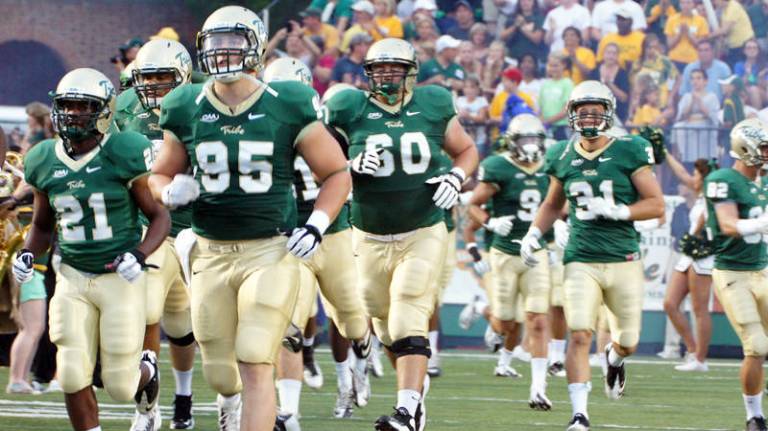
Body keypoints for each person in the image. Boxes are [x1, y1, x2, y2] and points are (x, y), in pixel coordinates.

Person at [148, 6, 351, 431]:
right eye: (215, 42)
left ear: (256, 46)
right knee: (221, 372)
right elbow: (160, 173)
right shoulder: (184, 104)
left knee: (256, 355)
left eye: (233, 41)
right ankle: (232, 406)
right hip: (210, 250)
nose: (223, 52)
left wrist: (315, 223)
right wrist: (166, 190)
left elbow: (335, 172)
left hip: (269, 250)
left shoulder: (287, 102)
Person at [324, 37, 478, 431]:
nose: (387, 75)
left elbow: (466, 150)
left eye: (394, 68)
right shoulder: (347, 107)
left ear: (412, 71)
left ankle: (406, 410)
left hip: (422, 227)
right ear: (367, 73)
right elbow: (319, 162)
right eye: (379, 68)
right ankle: (414, 395)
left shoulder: (433, 103)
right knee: (384, 323)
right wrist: (351, 165)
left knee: (410, 306)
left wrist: (457, 176)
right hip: (369, 231)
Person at [12, 67, 170, 431]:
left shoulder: (125, 150)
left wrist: (139, 254)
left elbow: (158, 216)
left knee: (119, 383)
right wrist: (26, 254)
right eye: (67, 106)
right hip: (71, 274)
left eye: (83, 107)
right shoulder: (42, 158)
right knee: (69, 371)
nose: (72, 114)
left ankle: (147, 370)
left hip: (118, 274)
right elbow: (41, 226)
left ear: (103, 112)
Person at [519, 80, 664, 430]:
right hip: (580, 256)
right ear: (571, 115)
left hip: (623, 257)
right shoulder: (562, 154)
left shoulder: (630, 149)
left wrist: (621, 212)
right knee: (580, 332)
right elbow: (553, 203)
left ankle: (614, 359)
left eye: (596, 111)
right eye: (582, 111)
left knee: (627, 341)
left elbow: (656, 205)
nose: (589, 118)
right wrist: (534, 233)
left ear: (609, 113)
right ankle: (580, 415)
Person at [262, 59, 372, 427]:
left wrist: (355, 165)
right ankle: (289, 413)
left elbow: (345, 177)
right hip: (288, 238)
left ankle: (362, 353)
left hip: (333, 232)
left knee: (353, 320)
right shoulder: (258, 132)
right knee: (290, 324)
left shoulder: (330, 129)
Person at [112, 39, 197, 430]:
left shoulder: (203, 101)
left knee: (186, 327)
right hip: (149, 226)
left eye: (165, 78)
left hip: (196, 227)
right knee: (145, 307)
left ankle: (185, 394)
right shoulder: (125, 106)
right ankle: (147, 407)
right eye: (148, 78)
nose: (156, 87)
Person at [468, 114, 554, 410]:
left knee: (538, 319)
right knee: (506, 322)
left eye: (535, 140)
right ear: (513, 142)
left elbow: (559, 202)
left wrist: (561, 228)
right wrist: (490, 223)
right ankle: (484, 310)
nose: (531, 146)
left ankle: (538, 387)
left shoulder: (550, 165)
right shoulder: (498, 167)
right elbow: (473, 205)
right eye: (525, 140)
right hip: (504, 252)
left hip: (536, 251)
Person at [704, 118, 768, 431]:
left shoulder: (765, 181)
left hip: (762, 269)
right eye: (765, 148)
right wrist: (758, 224)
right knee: (757, 345)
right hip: (732, 272)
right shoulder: (723, 178)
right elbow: (728, 223)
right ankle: (754, 416)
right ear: (746, 148)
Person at [662, 155, 717, 373]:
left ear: (704, 178)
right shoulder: (701, 193)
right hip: (689, 253)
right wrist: (665, 153)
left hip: (703, 253)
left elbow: (707, 220)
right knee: (670, 303)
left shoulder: (714, 195)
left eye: (696, 174)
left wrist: (694, 236)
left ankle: (700, 359)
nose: (691, 177)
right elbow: (682, 174)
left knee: (699, 309)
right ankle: (693, 351)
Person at [673, 69, 721, 162]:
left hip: (705, 127)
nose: (695, 81)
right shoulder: (687, 96)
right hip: (689, 126)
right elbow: (681, 116)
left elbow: (714, 117)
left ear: (705, 81)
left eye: (698, 78)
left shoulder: (712, 97)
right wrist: (692, 102)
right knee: (677, 127)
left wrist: (700, 102)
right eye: (693, 79)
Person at [664, 0, 710, 71]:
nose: (685, 5)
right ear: (680, 5)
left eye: (688, 3)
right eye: (683, 3)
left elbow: (700, 45)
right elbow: (669, 45)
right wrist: (679, 34)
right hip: (675, 59)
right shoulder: (672, 20)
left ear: (693, 5)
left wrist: (688, 33)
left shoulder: (701, 21)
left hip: (693, 60)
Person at [590, 43, 630, 122]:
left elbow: (624, 98)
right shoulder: (594, 72)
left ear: (617, 56)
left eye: (614, 53)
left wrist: (610, 84)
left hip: (617, 114)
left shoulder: (622, 73)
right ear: (603, 54)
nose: (611, 56)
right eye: (608, 53)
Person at [539, 53, 574, 140]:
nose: (553, 69)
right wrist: (542, 121)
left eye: (556, 66)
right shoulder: (545, 84)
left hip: (561, 127)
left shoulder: (567, 83)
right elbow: (541, 107)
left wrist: (548, 121)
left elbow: (566, 109)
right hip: (546, 128)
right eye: (551, 66)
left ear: (563, 65)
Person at [733, 39, 768, 109]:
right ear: (744, 51)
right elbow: (738, 85)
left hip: (763, 93)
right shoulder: (739, 65)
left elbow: (765, 84)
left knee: (753, 89)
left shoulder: (765, 65)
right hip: (744, 94)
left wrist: (750, 76)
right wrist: (754, 78)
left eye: (754, 47)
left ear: (758, 50)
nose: (752, 50)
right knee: (752, 89)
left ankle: (757, 116)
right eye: (749, 48)